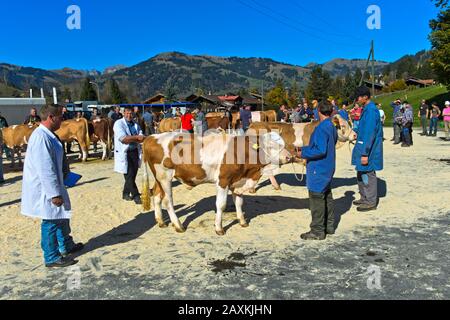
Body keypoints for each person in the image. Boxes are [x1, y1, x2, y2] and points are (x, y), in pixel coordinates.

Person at [21, 104, 83, 268]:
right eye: (60, 117)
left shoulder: (49, 135)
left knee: (61, 217)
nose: (62, 120)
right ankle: (51, 257)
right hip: (46, 188)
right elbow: (45, 168)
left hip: (56, 183)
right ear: (51, 117)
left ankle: (66, 246)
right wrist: (54, 194)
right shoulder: (41, 137)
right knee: (50, 221)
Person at [297, 101, 338, 240]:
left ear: (319, 111)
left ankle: (317, 230)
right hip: (328, 166)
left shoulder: (321, 127)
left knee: (316, 199)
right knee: (327, 196)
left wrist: (302, 152)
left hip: (318, 168)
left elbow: (320, 149)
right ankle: (329, 226)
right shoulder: (331, 126)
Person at [352, 86, 383, 212]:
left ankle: (370, 201)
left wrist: (365, 153)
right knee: (361, 172)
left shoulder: (371, 111)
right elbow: (363, 129)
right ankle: (364, 197)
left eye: (359, 97)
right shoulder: (366, 109)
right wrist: (356, 132)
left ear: (365, 97)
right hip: (362, 147)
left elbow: (370, 133)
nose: (357, 100)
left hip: (368, 150)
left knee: (367, 174)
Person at [113, 106, 145, 204]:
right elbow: (123, 139)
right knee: (129, 174)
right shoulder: (118, 124)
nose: (129, 115)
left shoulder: (136, 125)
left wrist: (136, 138)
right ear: (123, 113)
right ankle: (136, 195)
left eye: (130, 113)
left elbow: (141, 137)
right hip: (125, 153)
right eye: (127, 113)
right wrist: (136, 137)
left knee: (133, 174)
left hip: (135, 152)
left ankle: (125, 193)